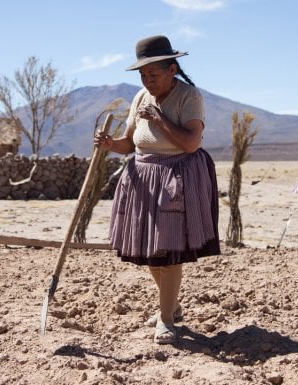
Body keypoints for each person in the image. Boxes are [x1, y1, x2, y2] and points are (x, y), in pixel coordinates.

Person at [94, 35, 221, 344]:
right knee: (151, 252)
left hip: (176, 177)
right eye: (143, 75)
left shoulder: (190, 97)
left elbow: (191, 143)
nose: (147, 81)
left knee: (170, 251)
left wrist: (161, 119)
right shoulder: (140, 97)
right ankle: (172, 306)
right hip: (143, 178)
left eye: (153, 74)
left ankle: (165, 320)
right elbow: (130, 143)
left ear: (172, 69)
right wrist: (110, 145)